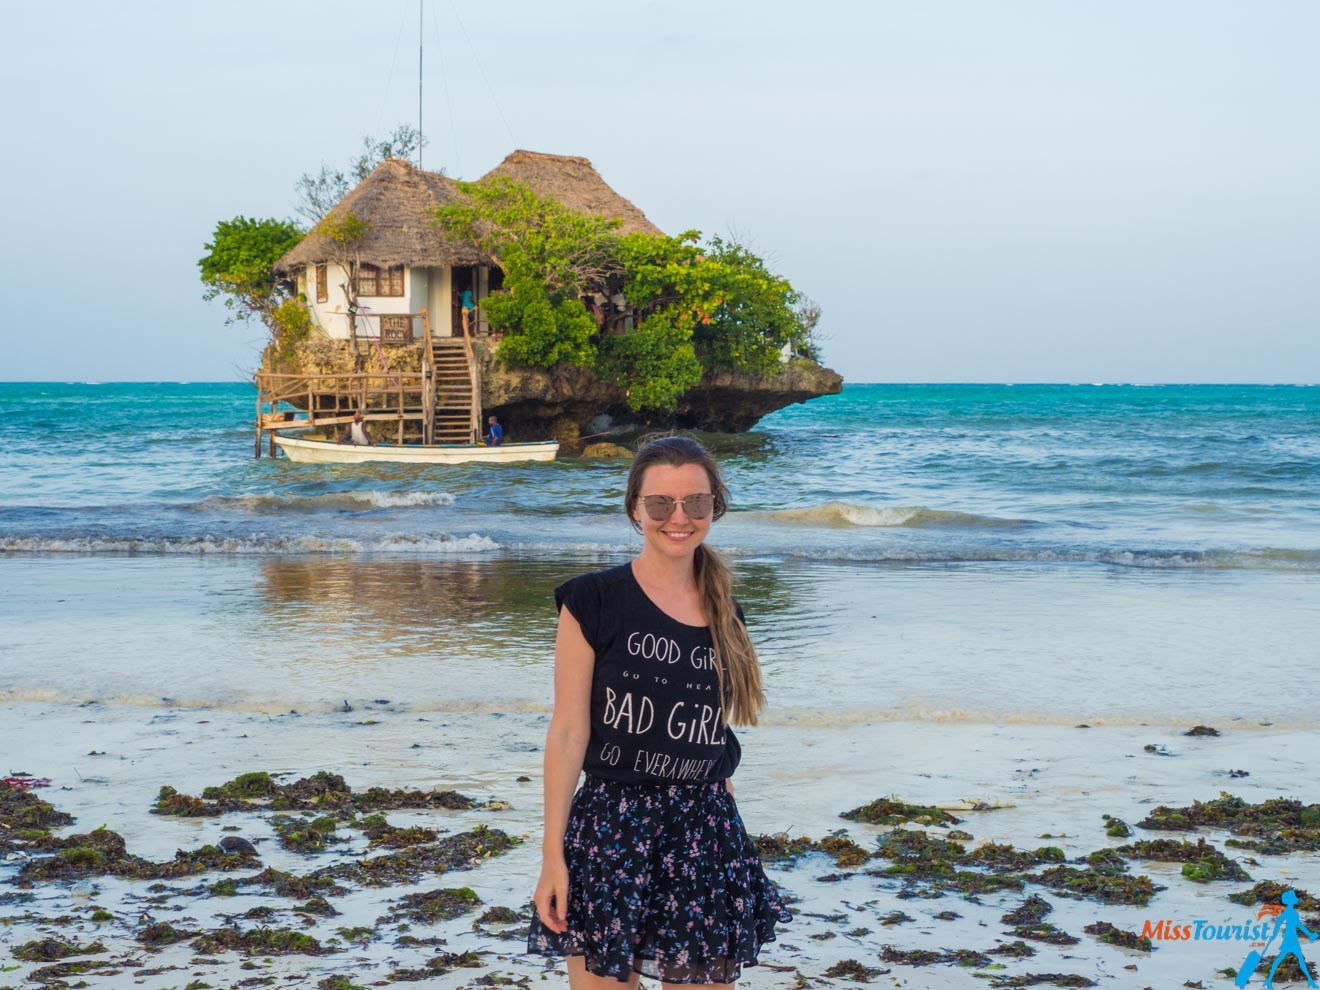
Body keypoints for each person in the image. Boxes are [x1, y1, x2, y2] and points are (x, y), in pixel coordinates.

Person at [527, 435, 789, 986]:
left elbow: (708, 734)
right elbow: (569, 730)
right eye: (660, 503)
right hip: (609, 828)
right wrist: (553, 856)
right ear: (634, 509)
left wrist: (728, 823)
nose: (679, 517)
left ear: (715, 507)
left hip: (704, 831)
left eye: (695, 502)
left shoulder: (727, 611)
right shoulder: (592, 600)